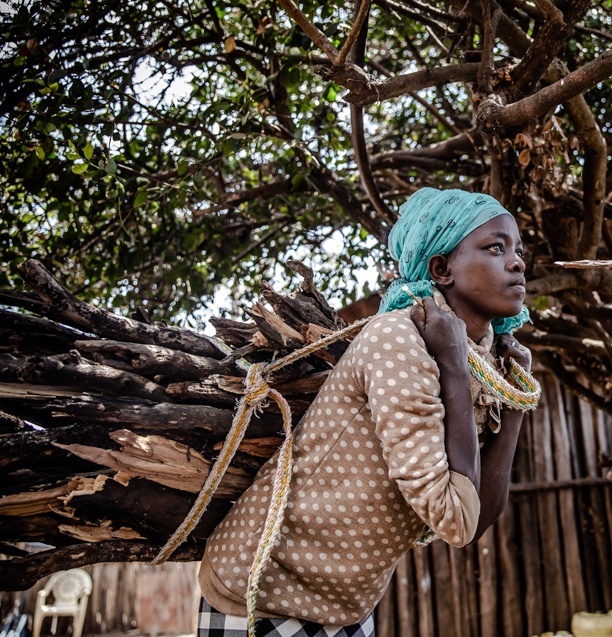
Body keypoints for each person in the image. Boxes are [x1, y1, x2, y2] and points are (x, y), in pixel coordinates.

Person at [197, 188, 535, 637]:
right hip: (261, 593)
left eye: (518, 251)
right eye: (496, 248)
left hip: (347, 605)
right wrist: (452, 364)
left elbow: (473, 520)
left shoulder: (482, 362)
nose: (517, 262)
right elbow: (452, 519)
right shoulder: (396, 339)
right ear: (441, 268)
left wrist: (513, 403)